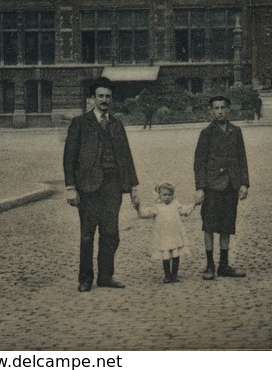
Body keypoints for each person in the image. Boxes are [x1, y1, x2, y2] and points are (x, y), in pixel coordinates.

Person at [63, 76, 139, 292]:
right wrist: (70, 187)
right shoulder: (79, 124)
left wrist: (133, 187)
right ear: (92, 98)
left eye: (108, 96)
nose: (104, 100)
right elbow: (69, 157)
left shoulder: (116, 124)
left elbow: (126, 156)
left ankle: (106, 276)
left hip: (112, 186)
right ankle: (85, 278)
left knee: (111, 233)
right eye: (100, 96)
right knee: (87, 234)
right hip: (87, 187)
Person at [193, 95, 249, 279]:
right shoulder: (206, 134)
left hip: (231, 185)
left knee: (227, 225)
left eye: (222, 108)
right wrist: (200, 187)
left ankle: (224, 265)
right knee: (209, 225)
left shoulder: (236, 131)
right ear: (211, 111)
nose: (219, 111)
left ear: (228, 110)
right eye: (215, 108)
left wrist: (244, 183)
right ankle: (210, 265)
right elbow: (199, 163)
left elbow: (242, 158)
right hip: (212, 186)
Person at [137, 182, 196, 283]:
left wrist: (194, 204)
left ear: (173, 195)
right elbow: (145, 213)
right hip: (164, 236)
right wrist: (138, 207)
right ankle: (167, 275)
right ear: (159, 195)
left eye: (169, 195)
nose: (167, 197)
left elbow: (185, 211)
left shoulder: (176, 205)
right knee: (166, 256)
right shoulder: (157, 207)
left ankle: (175, 275)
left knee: (176, 255)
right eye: (164, 195)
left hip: (175, 235)